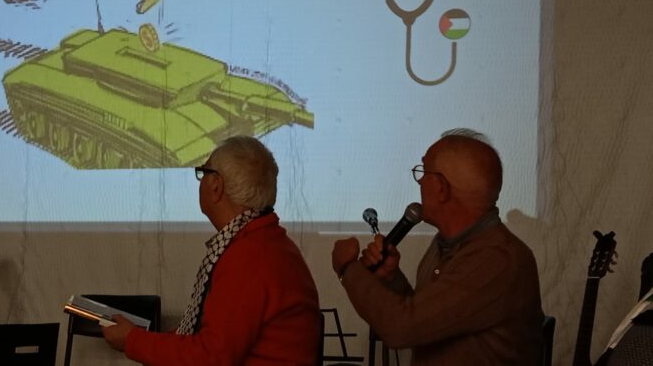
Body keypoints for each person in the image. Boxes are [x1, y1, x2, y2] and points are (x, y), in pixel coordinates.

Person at [331, 129, 544, 366]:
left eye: (423, 172)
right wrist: (392, 279)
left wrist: (347, 267)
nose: (420, 181)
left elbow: (402, 328)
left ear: (442, 187)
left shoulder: (497, 258)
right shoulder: (448, 244)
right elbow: (430, 322)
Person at [102, 135, 321, 365]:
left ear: (216, 186)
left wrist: (133, 341)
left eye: (203, 172)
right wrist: (142, 338)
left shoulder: (249, 257)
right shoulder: (264, 243)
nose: (200, 181)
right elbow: (210, 341)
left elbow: (211, 357)